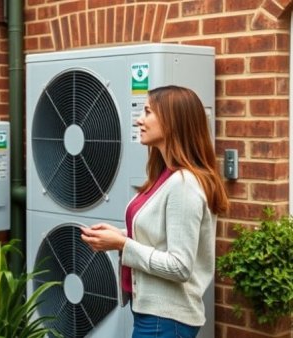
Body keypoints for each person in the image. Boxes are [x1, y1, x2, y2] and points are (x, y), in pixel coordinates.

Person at [81, 85, 229, 338]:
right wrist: (117, 236)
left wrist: (123, 244)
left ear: (173, 122)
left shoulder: (185, 184)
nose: (139, 119)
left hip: (166, 321)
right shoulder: (166, 176)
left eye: (148, 112)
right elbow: (160, 235)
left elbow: (180, 266)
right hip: (154, 316)